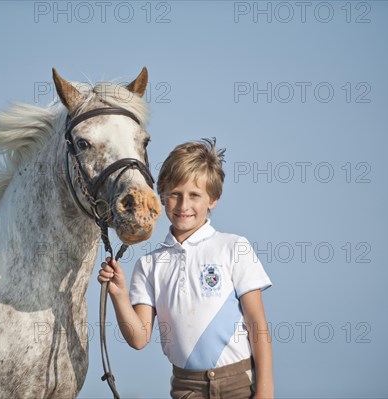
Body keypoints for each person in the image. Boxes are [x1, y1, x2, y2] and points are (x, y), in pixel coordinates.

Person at [98, 138, 274, 398]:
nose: (183, 205)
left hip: (239, 384)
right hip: (185, 388)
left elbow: (256, 323)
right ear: (161, 195)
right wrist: (119, 296)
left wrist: (265, 391)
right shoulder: (148, 265)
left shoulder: (234, 247)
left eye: (194, 195)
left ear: (213, 199)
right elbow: (138, 338)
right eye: (175, 195)